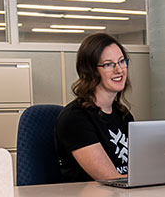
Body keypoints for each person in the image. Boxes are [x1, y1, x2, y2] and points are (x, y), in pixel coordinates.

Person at [54, 33, 134, 182]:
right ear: (90, 71)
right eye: (108, 64)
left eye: (122, 61)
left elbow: (137, 170)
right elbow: (111, 180)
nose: (119, 70)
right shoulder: (75, 119)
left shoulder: (123, 115)